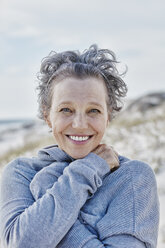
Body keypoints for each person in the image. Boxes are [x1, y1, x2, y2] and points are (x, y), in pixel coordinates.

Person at [0, 44, 159, 248]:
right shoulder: (21, 173)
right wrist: (89, 169)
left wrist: (48, 189)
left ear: (108, 116)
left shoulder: (132, 177)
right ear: (48, 116)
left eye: (93, 111)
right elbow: (22, 244)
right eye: (66, 109)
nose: (80, 124)